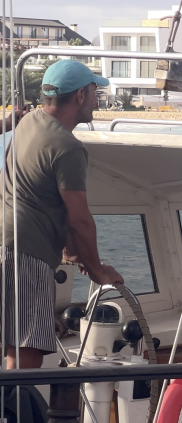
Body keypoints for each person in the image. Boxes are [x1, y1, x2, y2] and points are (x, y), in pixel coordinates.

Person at [2, 60, 123, 370]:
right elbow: (79, 219)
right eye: (95, 91)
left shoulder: (29, 122)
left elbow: (44, 196)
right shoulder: (68, 148)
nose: (98, 100)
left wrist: (72, 252)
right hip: (26, 253)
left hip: (7, 242)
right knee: (25, 354)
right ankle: (18, 420)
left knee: (12, 345)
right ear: (80, 95)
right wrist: (98, 272)